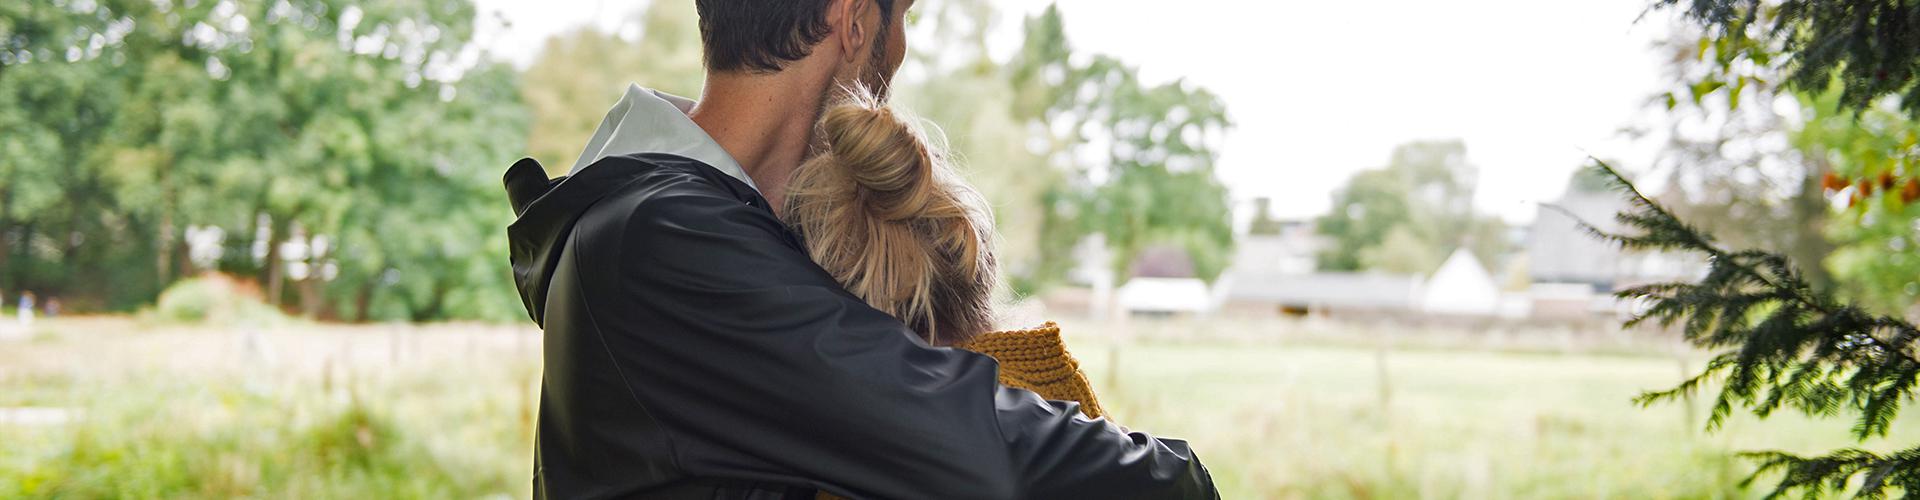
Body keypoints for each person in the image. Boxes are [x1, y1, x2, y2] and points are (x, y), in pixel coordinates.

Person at [502, 0, 1217, 498]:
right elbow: (974, 452)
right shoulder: (665, 238)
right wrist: (1180, 479)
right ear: (852, 19)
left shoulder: (663, 219)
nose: (899, 50)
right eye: (901, 16)